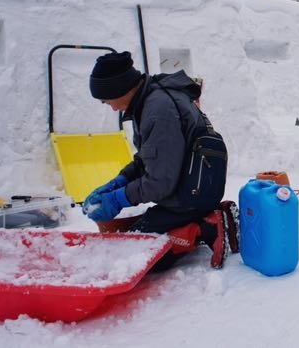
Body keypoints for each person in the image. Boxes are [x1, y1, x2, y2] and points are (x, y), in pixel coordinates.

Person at [82, 51, 239, 271]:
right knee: (132, 239)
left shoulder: (157, 110)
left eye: (106, 99)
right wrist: (119, 181)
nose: (110, 106)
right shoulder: (149, 100)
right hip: (193, 187)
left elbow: (160, 182)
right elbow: (149, 158)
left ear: (118, 87)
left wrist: (119, 199)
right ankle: (204, 217)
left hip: (188, 195)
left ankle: (206, 227)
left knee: (135, 256)